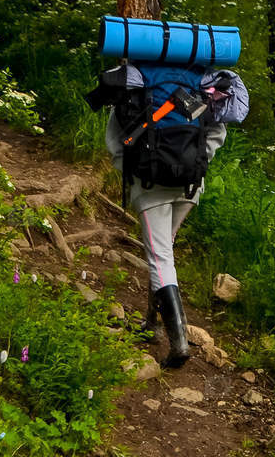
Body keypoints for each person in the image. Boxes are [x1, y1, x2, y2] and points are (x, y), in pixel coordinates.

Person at [103, 64, 247, 367]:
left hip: (150, 185)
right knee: (163, 251)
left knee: (159, 258)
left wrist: (133, 175)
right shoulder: (201, 84)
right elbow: (217, 132)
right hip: (190, 185)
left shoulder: (136, 85)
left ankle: (179, 344)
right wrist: (197, 164)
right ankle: (152, 322)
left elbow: (115, 142)